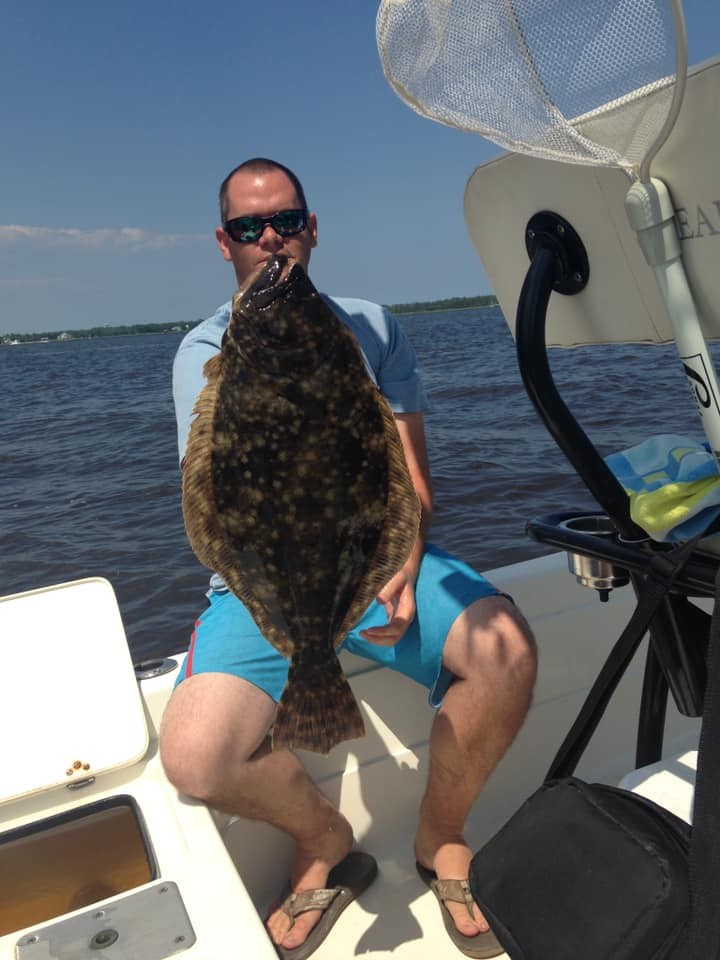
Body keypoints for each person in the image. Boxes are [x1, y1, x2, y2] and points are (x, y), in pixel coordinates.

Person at [160, 157, 537, 959]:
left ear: (312, 229)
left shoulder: (370, 325)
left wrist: (401, 561)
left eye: (286, 222)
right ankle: (323, 833)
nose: (271, 240)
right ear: (223, 245)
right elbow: (224, 502)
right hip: (264, 582)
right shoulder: (205, 350)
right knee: (193, 759)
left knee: (506, 650)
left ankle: (439, 837)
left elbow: (410, 480)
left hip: (371, 555)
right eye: (248, 228)